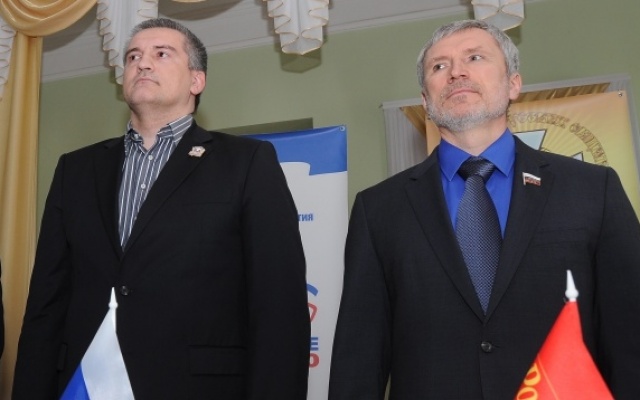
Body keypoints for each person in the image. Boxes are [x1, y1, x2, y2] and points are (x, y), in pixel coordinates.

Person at [328, 19, 640, 399]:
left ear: (513, 84)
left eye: (474, 58)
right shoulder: (378, 210)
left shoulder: (592, 188)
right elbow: (358, 362)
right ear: (425, 101)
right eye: (439, 66)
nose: (456, 72)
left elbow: (630, 338)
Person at [13, 18, 310, 399]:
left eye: (162, 54)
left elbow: (278, 305)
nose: (143, 62)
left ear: (196, 80)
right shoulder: (76, 169)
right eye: (133, 56)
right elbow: (46, 302)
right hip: (84, 385)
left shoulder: (247, 162)